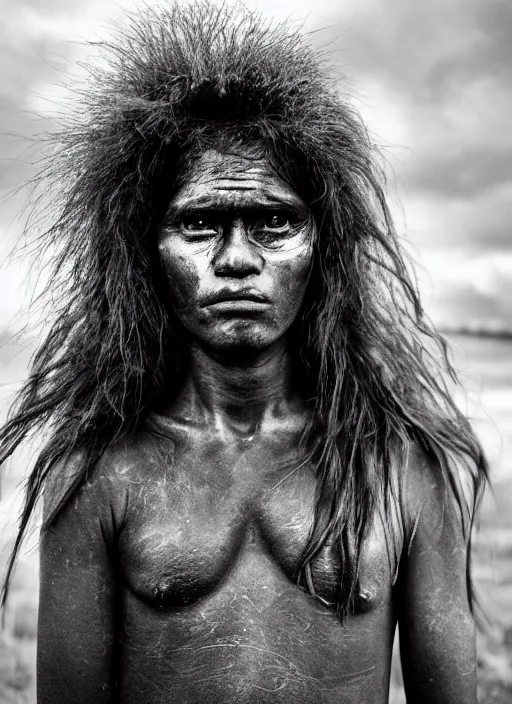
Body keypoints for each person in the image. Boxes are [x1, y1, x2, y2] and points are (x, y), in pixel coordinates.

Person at [0, 3, 487, 703]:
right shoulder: (99, 470)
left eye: (273, 221)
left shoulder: (402, 465)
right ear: (144, 251)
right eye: (199, 222)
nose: (235, 260)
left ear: (327, 248)